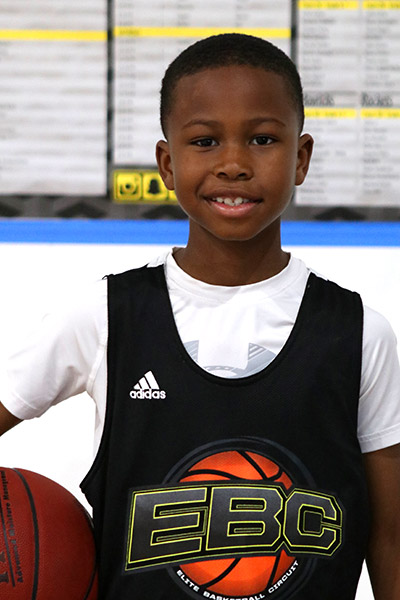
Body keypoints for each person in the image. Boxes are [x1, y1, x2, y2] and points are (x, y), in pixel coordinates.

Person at [1, 33, 400, 600]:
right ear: (168, 163)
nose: (233, 164)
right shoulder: (107, 316)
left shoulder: (359, 334)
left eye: (262, 139)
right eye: (205, 141)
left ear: (301, 158)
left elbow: (390, 538)